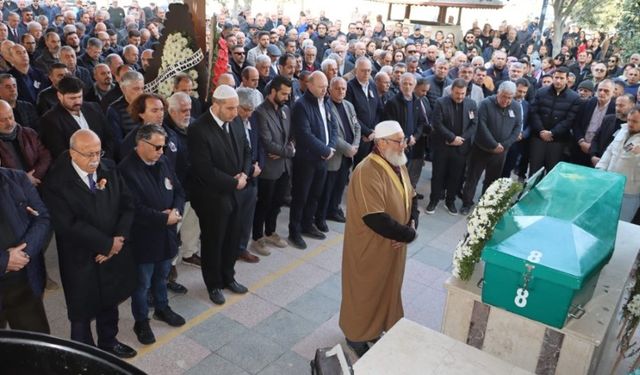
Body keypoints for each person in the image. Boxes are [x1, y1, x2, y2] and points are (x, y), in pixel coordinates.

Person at [43, 129, 137, 358]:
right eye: (88, 154)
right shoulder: (55, 181)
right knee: (82, 309)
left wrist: (117, 240)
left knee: (110, 300)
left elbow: (127, 204)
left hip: (112, 250)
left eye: (98, 152)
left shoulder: (109, 168)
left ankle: (108, 340)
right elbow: (68, 224)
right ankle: (84, 353)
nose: (95, 160)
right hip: (80, 256)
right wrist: (105, 244)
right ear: (72, 153)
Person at [339, 120, 419, 358]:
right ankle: (355, 335)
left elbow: (412, 196)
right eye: (398, 140)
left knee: (386, 289)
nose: (403, 145)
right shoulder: (367, 170)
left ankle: (374, 329)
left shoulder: (397, 162)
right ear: (381, 143)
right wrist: (408, 234)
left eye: (403, 139)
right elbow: (375, 218)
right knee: (365, 290)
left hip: (393, 243)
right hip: (370, 246)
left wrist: (412, 222)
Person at [118, 125, 186, 345]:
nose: (161, 151)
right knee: (141, 285)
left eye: (163, 147)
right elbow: (133, 208)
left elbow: (178, 190)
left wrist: (176, 211)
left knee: (162, 276)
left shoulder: (163, 161)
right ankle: (141, 321)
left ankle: (162, 308)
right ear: (141, 143)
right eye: (157, 147)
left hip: (166, 236)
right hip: (144, 239)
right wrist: (163, 218)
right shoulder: (126, 170)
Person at [188, 85, 250, 305]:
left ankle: (228, 277)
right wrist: (235, 182)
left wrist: (245, 171)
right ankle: (213, 284)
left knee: (233, 238)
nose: (236, 113)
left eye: (236, 108)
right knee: (214, 242)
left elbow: (246, 150)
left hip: (236, 192)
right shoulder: (198, 129)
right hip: (212, 196)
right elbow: (204, 170)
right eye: (231, 108)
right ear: (216, 105)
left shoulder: (236, 122)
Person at [288, 71, 337, 249]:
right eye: (321, 86)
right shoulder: (301, 105)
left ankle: (308, 224)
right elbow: (304, 134)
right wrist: (324, 150)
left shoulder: (327, 101)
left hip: (323, 158)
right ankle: (294, 230)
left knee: (315, 194)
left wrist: (330, 147)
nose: (325, 90)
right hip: (306, 159)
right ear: (309, 85)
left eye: (326, 86)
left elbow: (333, 126)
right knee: (301, 196)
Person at [0, 165, 51, 334]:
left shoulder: (18, 178)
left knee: (37, 347)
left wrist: (23, 253)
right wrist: (5, 261)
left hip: (25, 281)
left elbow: (42, 218)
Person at [460, 81, 521, 215]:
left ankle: (485, 203)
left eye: (510, 97)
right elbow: (481, 125)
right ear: (498, 92)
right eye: (504, 96)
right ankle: (467, 203)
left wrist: (503, 145)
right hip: (481, 148)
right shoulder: (486, 103)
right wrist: (493, 144)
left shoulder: (516, 107)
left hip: (501, 152)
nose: (507, 100)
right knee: (472, 177)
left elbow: (517, 128)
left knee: (492, 179)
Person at [251, 75, 293, 256]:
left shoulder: (286, 110)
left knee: (277, 203)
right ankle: (258, 237)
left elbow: (291, 136)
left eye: (288, 94)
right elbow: (267, 143)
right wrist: (289, 151)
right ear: (273, 91)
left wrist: (286, 151)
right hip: (268, 167)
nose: (287, 97)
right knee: (264, 204)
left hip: (283, 165)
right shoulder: (260, 113)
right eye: (283, 94)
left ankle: (270, 231)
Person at [426, 78, 478, 215]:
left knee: (456, 176)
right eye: (457, 93)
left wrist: (461, 139)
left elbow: (474, 124)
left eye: (462, 93)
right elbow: (437, 123)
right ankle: (434, 200)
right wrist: (451, 137)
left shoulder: (471, 104)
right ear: (451, 91)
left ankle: (450, 201)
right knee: (438, 175)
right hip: (442, 146)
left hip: (461, 148)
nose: (460, 96)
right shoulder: (441, 103)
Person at [317, 76, 360, 230]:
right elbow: (331, 133)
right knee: (327, 189)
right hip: (334, 156)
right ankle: (321, 217)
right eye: (337, 88)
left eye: (343, 88)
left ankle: (334, 210)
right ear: (330, 89)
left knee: (340, 186)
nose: (341, 91)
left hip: (348, 156)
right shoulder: (326, 106)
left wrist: (355, 145)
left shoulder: (348, 105)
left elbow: (357, 127)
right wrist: (348, 149)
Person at [41, 76, 113, 160]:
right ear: (60, 96)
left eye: (80, 97)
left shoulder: (94, 108)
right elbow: (60, 152)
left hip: (104, 162)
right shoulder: (50, 119)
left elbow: (109, 137)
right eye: (72, 98)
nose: (78, 102)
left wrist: (105, 159)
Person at [528, 67, 581, 175]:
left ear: (567, 79)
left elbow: (569, 120)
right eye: (556, 77)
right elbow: (534, 112)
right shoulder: (541, 92)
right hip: (538, 138)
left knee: (552, 173)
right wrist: (542, 131)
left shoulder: (574, 98)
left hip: (557, 141)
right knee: (534, 171)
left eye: (561, 78)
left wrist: (552, 133)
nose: (558, 81)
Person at [233, 87, 263, 263]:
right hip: (239, 178)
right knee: (235, 218)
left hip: (254, 178)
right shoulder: (231, 124)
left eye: (251, 110)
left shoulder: (253, 120)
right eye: (245, 109)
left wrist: (259, 165)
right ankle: (232, 248)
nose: (248, 114)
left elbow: (259, 145)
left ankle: (242, 247)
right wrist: (249, 169)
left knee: (247, 216)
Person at [383, 72, 428, 188]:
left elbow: (421, 122)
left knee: (407, 175)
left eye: (410, 84)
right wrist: (404, 139)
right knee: (394, 176)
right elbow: (390, 125)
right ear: (400, 85)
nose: (407, 86)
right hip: (398, 145)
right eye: (404, 84)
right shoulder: (392, 103)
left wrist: (415, 137)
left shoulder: (417, 101)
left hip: (412, 144)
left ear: (414, 86)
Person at [596, 106, 640, 222]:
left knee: (621, 224)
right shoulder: (623, 129)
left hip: (629, 191)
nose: (630, 124)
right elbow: (610, 151)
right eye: (629, 120)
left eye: (635, 121)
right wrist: (601, 168)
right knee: (603, 220)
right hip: (609, 184)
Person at [0, 99, 51, 185]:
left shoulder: (29, 133)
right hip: (13, 191)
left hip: (39, 182)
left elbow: (45, 156)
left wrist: (33, 177)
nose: (9, 123)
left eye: (10, 117)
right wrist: (24, 180)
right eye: (2, 120)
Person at [571, 79, 616, 166]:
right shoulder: (587, 103)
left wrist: (594, 149)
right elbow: (576, 125)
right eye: (600, 90)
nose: (602, 93)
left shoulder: (614, 109)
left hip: (599, 153)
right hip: (580, 147)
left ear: (613, 93)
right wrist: (581, 142)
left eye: (606, 91)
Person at [590, 94, 637, 166]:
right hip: (599, 162)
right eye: (616, 105)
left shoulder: (634, 127)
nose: (617, 108)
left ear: (632, 106)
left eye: (621, 106)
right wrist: (593, 156)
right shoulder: (608, 119)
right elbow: (596, 139)